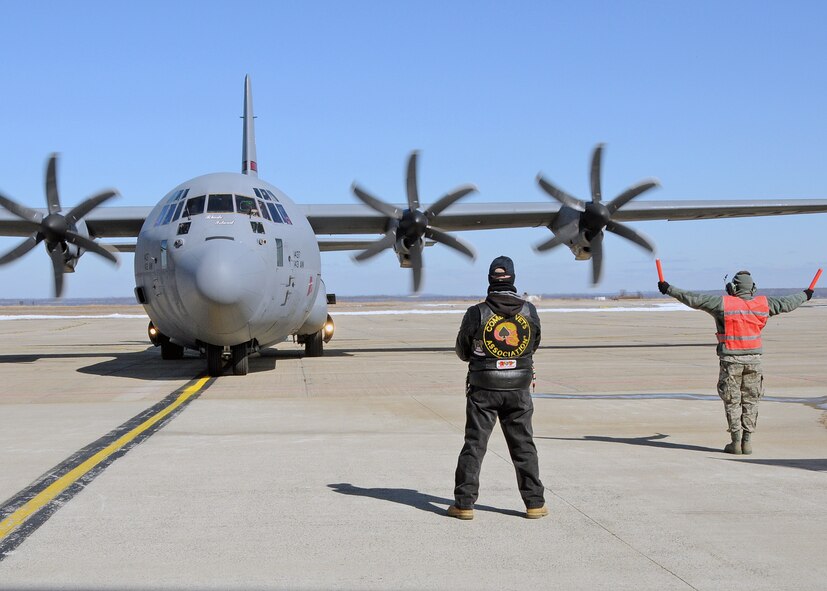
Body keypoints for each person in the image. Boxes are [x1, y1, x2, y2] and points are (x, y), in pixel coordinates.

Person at [659, 271, 813, 454]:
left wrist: (669, 289)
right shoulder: (764, 304)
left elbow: (693, 298)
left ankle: (735, 441)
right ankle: (747, 442)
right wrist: (806, 294)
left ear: (733, 287)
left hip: (731, 361)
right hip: (754, 361)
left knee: (732, 401)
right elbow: (788, 302)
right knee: (751, 400)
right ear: (752, 288)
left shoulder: (723, 304)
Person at [448, 256, 547, 520]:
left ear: (490, 279)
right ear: (512, 279)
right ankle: (534, 503)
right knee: (524, 445)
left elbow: (462, 350)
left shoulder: (477, 312)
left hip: (484, 389)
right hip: (519, 389)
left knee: (475, 445)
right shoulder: (529, 311)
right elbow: (533, 344)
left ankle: (464, 504)